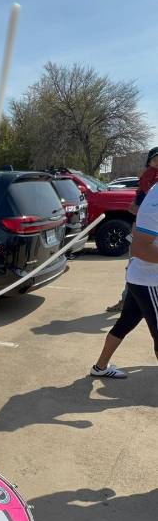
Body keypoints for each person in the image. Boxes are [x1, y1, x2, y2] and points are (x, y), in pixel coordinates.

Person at [91, 182, 158, 378]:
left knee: (126, 322)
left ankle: (100, 367)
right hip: (150, 281)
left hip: (141, 278)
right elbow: (140, 248)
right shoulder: (155, 201)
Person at [106, 147, 158, 313]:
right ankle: (126, 302)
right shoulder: (147, 178)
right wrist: (142, 211)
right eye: (156, 159)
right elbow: (134, 207)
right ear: (150, 161)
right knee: (134, 267)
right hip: (143, 232)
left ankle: (129, 304)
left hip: (150, 232)